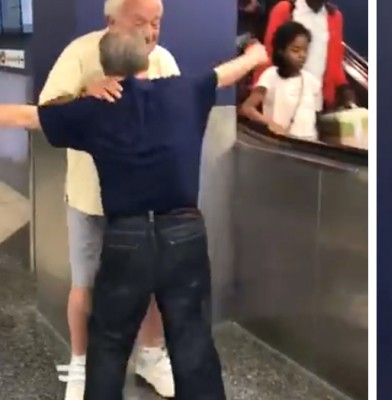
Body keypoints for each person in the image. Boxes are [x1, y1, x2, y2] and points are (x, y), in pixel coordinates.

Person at [0, 30, 269, 400]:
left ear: (106, 67)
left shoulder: (93, 109)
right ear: (146, 59)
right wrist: (256, 54)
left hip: (126, 239)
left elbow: (26, 117)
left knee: (109, 345)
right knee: (192, 342)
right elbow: (228, 72)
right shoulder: (184, 90)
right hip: (185, 234)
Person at [39, 0, 179, 398]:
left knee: (152, 282)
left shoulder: (164, 60)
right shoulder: (80, 52)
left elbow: (180, 116)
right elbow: (48, 108)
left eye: (156, 23)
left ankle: (152, 357)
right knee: (84, 285)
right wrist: (86, 92)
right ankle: (82, 365)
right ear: (110, 22)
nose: (150, 33)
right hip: (89, 197)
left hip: (147, 197)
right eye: (140, 23)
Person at [256, 0, 352, 110]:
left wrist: (344, 88)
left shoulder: (335, 17)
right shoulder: (286, 9)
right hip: (282, 99)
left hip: (317, 101)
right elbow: (270, 54)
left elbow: (335, 62)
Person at [241, 21, 321, 139]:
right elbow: (247, 108)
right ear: (281, 51)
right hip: (281, 144)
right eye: (295, 50)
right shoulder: (270, 76)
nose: (302, 55)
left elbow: (316, 117)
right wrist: (271, 124)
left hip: (309, 145)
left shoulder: (312, 81)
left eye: (305, 50)